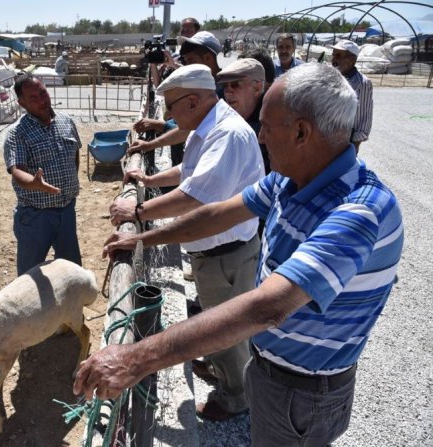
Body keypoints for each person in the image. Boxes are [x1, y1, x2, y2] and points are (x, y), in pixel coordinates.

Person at [75, 63, 404, 446]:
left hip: (303, 388)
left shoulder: (357, 211)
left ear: (301, 132)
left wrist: (135, 358)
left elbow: (267, 307)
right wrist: (147, 238)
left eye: (267, 126)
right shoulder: (291, 178)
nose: (260, 137)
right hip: (272, 367)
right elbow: (220, 213)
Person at [109, 64, 263, 421]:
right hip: (218, 252)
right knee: (216, 323)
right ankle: (223, 371)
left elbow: (195, 195)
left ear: (193, 101)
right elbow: (189, 171)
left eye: (172, 107)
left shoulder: (227, 135)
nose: (169, 116)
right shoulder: (206, 125)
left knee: (225, 330)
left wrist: (138, 209)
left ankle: (235, 397)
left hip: (226, 255)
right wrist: (149, 178)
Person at [4, 75, 82, 276]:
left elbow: (75, 154)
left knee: (72, 270)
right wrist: (34, 182)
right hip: (36, 216)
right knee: (30, 277)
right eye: (33, 98)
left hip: (66, 211)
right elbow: (17, 171)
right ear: (22, 103)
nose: (42, 100)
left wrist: (71, 181)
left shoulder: (66, 121)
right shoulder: (17, 133)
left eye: (43, 93)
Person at [128, 31, 225, 158]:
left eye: (190, 60)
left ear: (208, 58)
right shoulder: (202, 84)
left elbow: (193, 128)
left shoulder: (225, 90)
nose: (187, 66)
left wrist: (156, 130)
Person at [216, 58, 271, 174]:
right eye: (225, 86)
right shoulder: (226, 115)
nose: (228, 92)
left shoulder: (273, 123)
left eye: (235, 85)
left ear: (257, 87)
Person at [332, 39, 373, 153]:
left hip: (345, 140)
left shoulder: (362, 83)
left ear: (352, 59)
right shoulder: (330, 78)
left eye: (339, 56)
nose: (334, 60)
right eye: (333, 55)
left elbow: (364, 118)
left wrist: (353, 148)